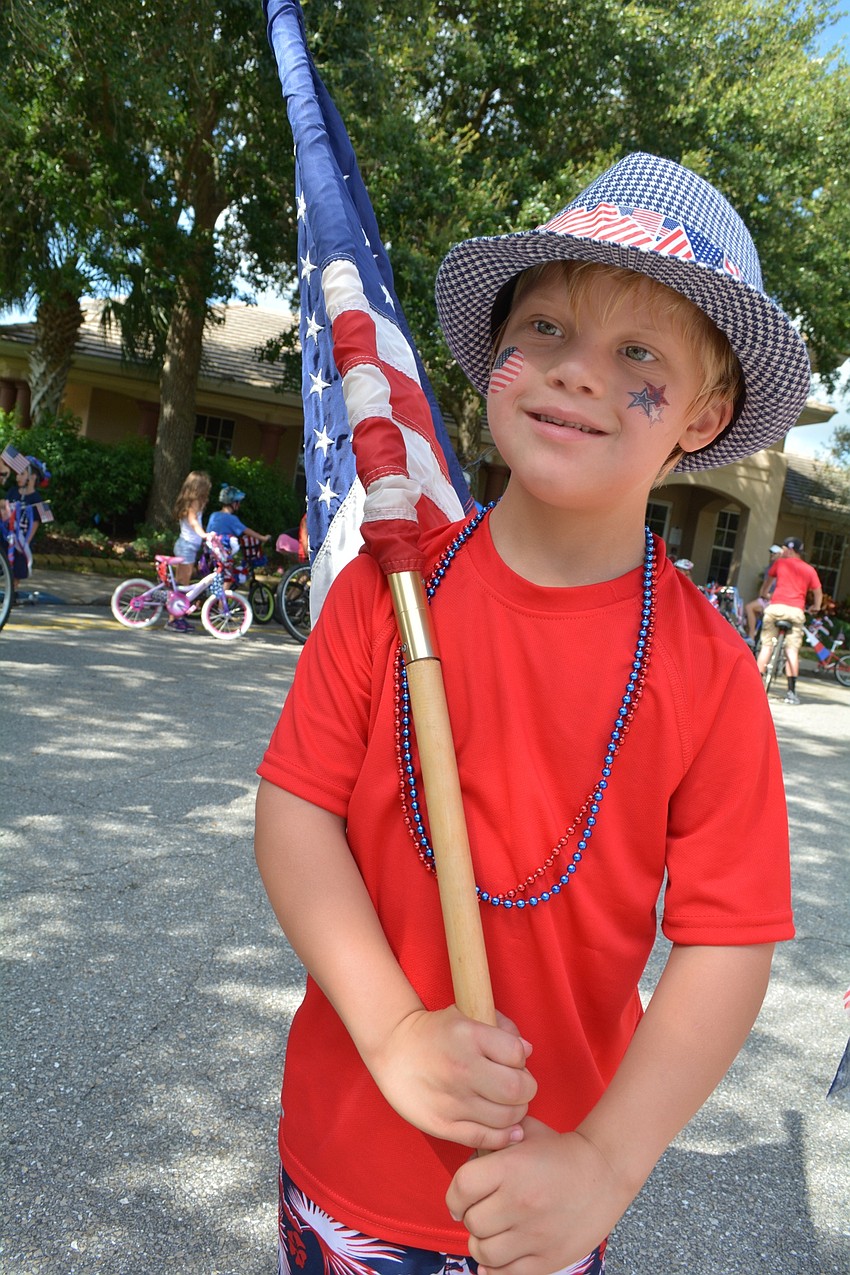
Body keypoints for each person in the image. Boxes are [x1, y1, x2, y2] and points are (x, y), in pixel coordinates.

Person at [254, 153, 807, 1275]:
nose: (576, 373)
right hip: (343, 1168)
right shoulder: (387, 589)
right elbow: (294, 813)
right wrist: (394, 1030)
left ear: (702, 412)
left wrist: (605, 1164)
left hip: (543, 1204)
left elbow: (726, 947)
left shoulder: (710, 673)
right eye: (545, 327)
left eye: (637, 352)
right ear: (495, 358)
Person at [756, 537, 823, 704]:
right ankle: (791, 692)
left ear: (790, 550)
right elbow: (818, 592)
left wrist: (764, 594)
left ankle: (756, 686)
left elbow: (767, 584)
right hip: (795, 611)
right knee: (791, 651)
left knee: (766, 646)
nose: (782, 551)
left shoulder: (780, 563)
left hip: (776, 608)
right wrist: (816, 606)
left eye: (784, 548)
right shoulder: (809, 570)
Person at [206, 484, 271, 545]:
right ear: (233, 503)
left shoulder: (214, 515)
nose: (239, 504)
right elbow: (246, 531)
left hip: (211, 551)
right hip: (223, 553)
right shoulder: (232, 519)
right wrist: (263, 538)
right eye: (238, 502)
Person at [744, 544, 782, 644]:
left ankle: (754, 637)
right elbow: (765, 584)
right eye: (771, 553)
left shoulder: (782, 568)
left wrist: (770, 596)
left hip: (775, 600)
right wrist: (761, 595)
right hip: (765, 598)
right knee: (749, 608)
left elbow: (781, 587)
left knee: (752, 608)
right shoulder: (769, 568)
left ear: (779, 555)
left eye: (774, 553)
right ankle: (752, 636)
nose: (771, 555)